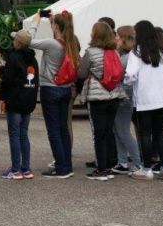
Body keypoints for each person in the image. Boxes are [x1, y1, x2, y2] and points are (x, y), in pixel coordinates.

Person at [124, 20, 163, 181]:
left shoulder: (136, 51)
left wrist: (127, 84)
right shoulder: (162, 49)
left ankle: (147, 169)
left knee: (145, 134)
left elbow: (130, 74)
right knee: (159, 133)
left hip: (145, 99)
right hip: (162, 98)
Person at [26, 10, 79, 179]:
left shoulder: (52, 44)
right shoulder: (71, 42)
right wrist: (53, 20)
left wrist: (35, 22)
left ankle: (61, 167)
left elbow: (28, 41)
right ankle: (66, 164)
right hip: (65, 88)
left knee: (53, 130)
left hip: (50, 88)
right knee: (63, 128)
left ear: (55, 26)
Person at [78, 21, 124, 181]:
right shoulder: (115, 52)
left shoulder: (90, 52)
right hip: (114, 95)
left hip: (97, 97)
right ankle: (111, 165)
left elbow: (82, 74)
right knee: (108, 130)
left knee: (99, 133)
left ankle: (101, 169)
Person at [0, 30, 38, 179]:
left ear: (18, 42)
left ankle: (15, 169)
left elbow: (7, 80)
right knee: (24, 134)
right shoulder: (33, 59)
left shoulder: (13, 57)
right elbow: (35, 81)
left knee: (14, 134)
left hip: (15, 101)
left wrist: (3, 97)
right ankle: (26, 168)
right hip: (28, 100)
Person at [113, 26, 148, 179]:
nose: (115, 39)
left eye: (118, 37)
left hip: (125, 98)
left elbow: (119, 73)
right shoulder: (125, 55)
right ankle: (122, 162)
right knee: (118, 130)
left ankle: (138, 163)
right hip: (121, 96)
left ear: (124, 39)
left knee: (123, 131)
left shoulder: (128, 57)